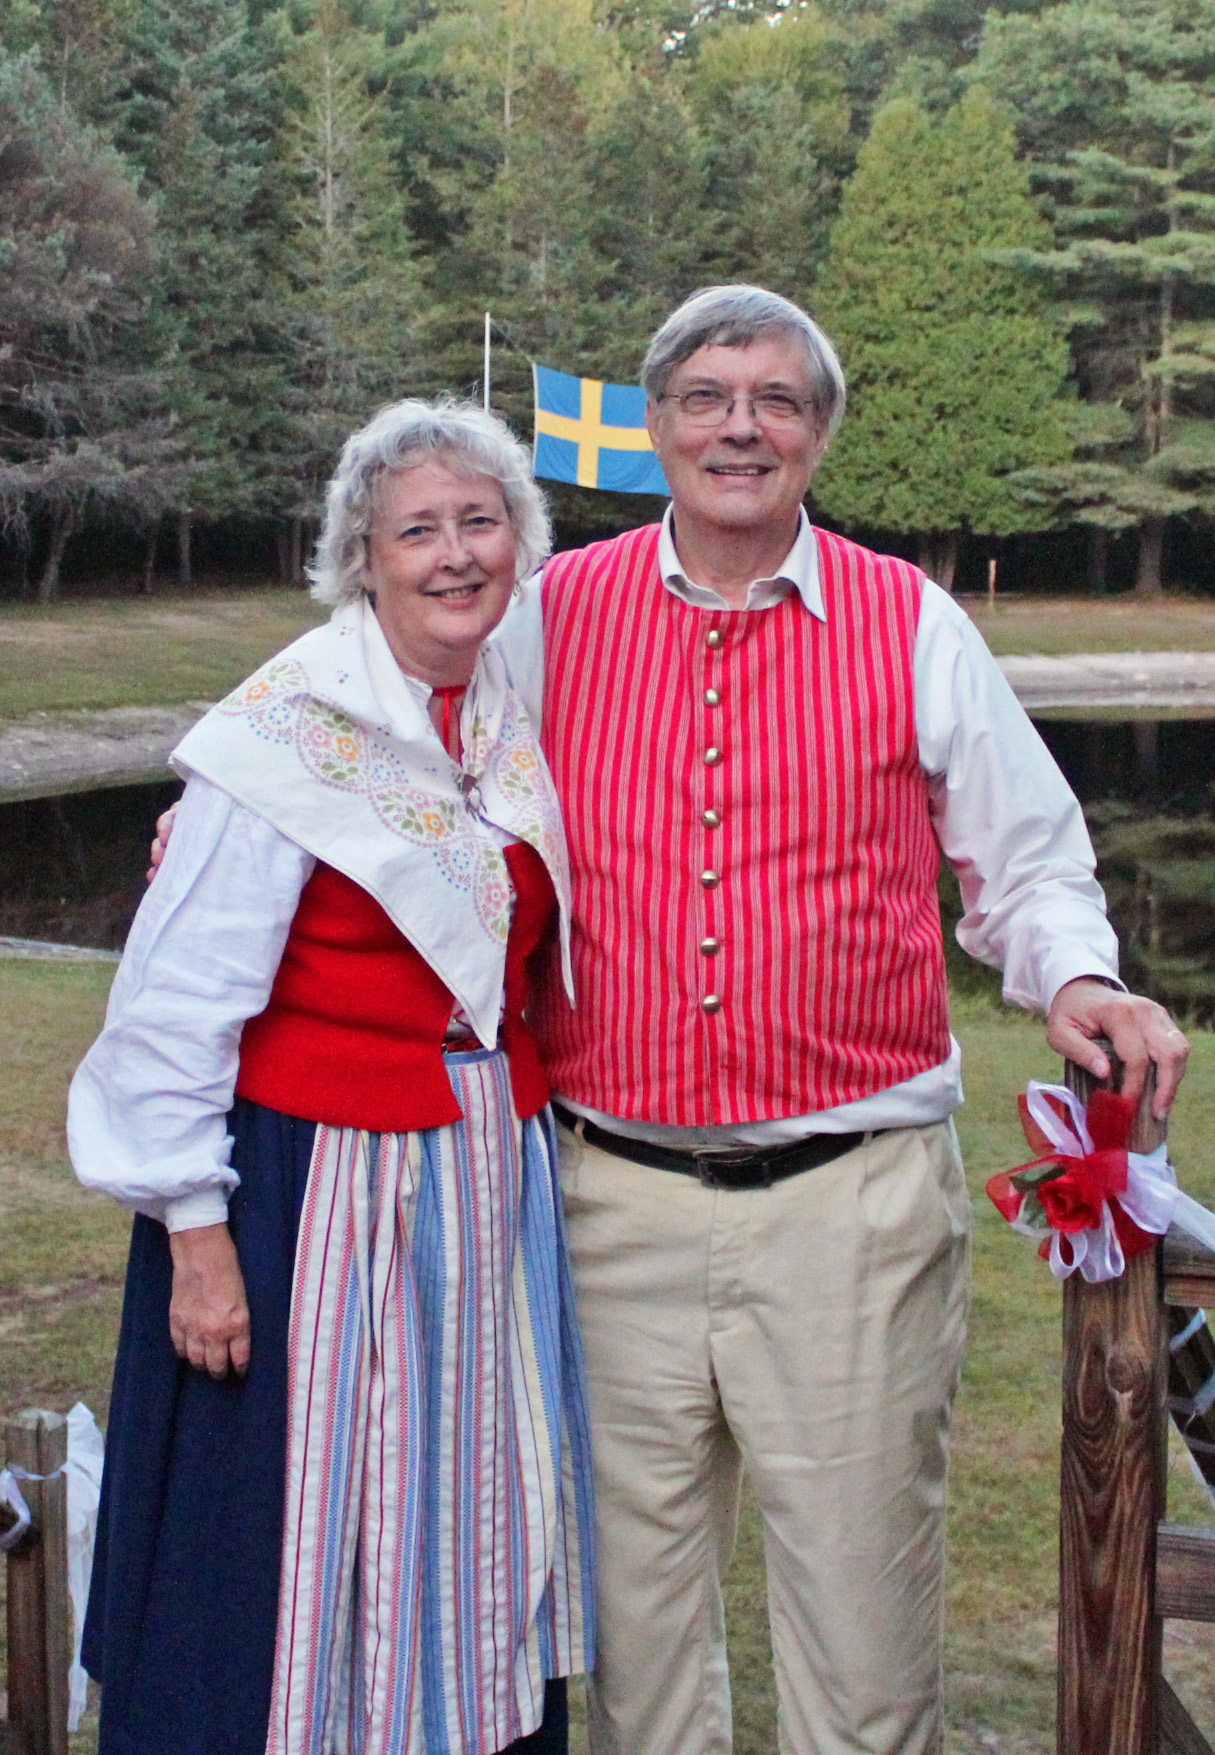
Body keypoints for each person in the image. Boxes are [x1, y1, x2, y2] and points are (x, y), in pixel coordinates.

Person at [152, 286, 1190, 1755]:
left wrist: (1078, 979)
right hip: (603, 1204)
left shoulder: (913, 624)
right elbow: (389, 700)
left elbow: (1026, 865)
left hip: (852, 1206)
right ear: (655, 428)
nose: (740, 426)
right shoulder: (547, 614)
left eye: (775, 399)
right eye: (706, 396)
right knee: (635, 1642)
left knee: (864, 1632)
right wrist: (228, 804)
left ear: (820, 433)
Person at [68, 399, 595, 1755]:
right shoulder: (286, 733)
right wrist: (195, 1231)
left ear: (520, 540)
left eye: (481, 522)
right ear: (362, 555)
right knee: (305, 1512)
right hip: (319, 1185)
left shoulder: (502, 715)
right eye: (418, 529)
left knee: (466, 1489)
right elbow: (177, 998)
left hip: (482, 1179)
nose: (455, 553)